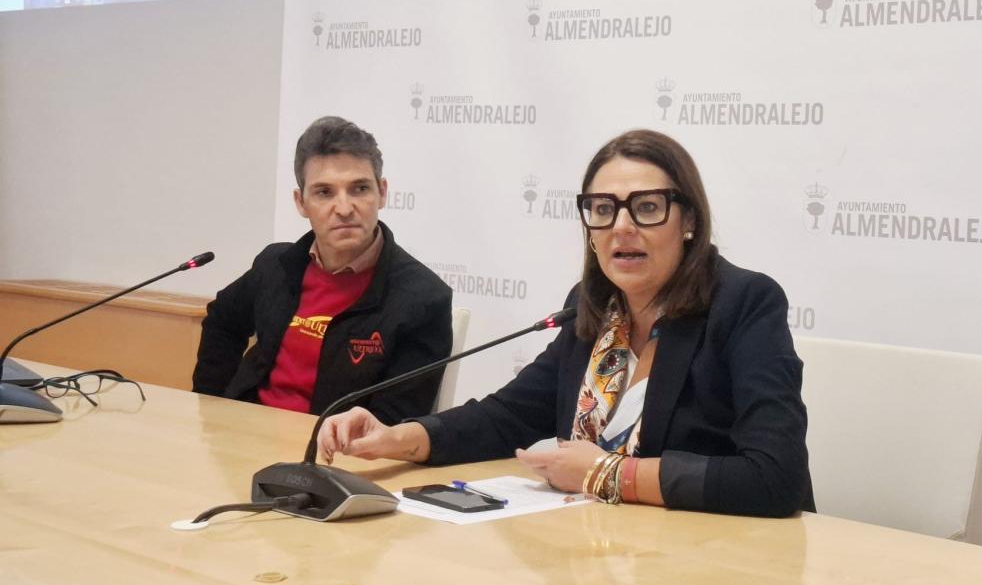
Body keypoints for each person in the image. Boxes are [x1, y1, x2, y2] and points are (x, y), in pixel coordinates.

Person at [318, 129, 814, 517]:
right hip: (606, 554)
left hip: (722, 567)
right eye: (602, 210)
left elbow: (775, 477)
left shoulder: (744, 304)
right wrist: (395, 437)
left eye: (646, 207)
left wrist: (608, 474)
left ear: (688, 221)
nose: (621, 227)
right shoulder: (595, 308)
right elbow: (508, 416)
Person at [192, 116, 452, 423]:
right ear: (301, 202)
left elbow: (394, 424)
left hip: (334, 457)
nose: (343, 208)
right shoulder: (276, 265)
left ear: (382, 193)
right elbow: (222, 321)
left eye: (359, 189)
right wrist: (212, 409)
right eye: (324, 192)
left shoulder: (423, 298)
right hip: (244, 437)